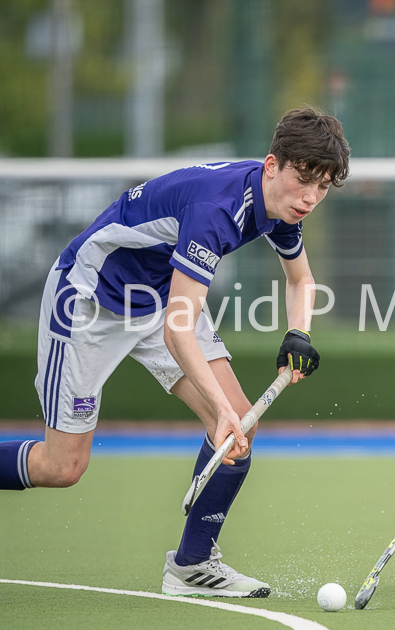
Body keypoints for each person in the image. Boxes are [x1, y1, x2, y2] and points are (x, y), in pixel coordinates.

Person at [0, 107, 350, 598]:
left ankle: (191, 566)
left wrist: (300, 334)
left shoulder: (280, 207)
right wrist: (223, 410)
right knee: (62, 469)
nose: (311, 197)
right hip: (88, 301)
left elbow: (302, 280)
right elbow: (178, 333)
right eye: (303, 180)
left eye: (324, 187)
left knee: (236, 429)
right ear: (272, 164)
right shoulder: (217, 210)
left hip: (158, 297)